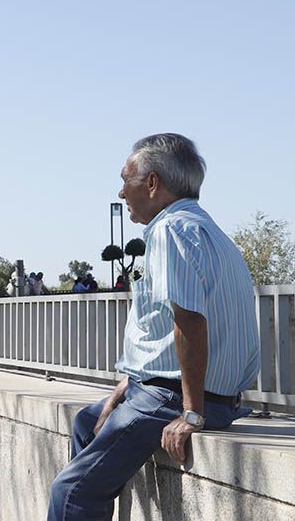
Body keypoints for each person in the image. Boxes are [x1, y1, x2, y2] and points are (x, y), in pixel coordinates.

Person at [48, 134, 260, 520]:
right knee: (87, 422)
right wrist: (129, 382)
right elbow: (167, 327)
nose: (121, 191)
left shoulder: (168, 231)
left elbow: (189, 323)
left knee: (71, 490)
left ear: (152, 183)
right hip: (213, 397)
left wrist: (192, 414)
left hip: (176, 399)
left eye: (125, 180)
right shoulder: (212, 233)